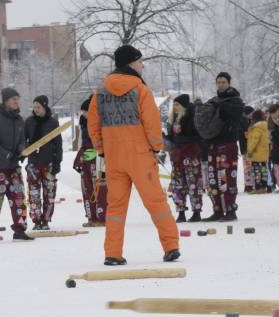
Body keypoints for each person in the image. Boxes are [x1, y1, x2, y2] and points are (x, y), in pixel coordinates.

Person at [87, 45, 180, 265]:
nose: (142, 65)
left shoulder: (100, 91)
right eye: (140, 62)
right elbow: (151, 122)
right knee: (155, 202)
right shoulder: (141, 89)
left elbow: (93, 125)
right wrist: (156, 147)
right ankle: (171, 246)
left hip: (114, 157)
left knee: (116, 206)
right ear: (131, 63)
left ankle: (113, 253)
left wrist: (102, 149)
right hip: (140, 156)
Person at [0, 87, 32, 242]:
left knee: (18, 199)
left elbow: (22, 140)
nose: (16, 102)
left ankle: (20, 230)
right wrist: (6, 154)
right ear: (5, 101)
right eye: (13, 99)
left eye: (17, 98)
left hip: (13, 167)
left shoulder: (19, 120)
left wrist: (21, 151)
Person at [203, 72, 245, 221]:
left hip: (228, 144)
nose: (220, 85)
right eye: (218, 82)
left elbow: (235, 115)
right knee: (213, 179)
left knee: (226, 179)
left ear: (229, 83)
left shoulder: (236, 100)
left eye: (223, 82)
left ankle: (230, 211)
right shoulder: (213, 101)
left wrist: (219, 106)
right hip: (213, 144)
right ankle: (217, 210)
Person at [23, 95, 62, 231]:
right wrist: (25, 149)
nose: (36, 109)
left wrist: (57, 163)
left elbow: (58, 144)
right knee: (33, 194)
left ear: (44, 106)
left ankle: (45, 220)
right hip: (33, 164)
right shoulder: (29, 122)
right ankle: (36, 220)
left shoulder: (52, 123)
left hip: (49, 163)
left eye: (38, 107)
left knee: (49, 194)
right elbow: (23, 141)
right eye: (34, 107)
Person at [166, 94, 203, 223]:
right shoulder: (173, 119)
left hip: (191, 154)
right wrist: (165, 139)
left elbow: (198, 136)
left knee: (194, 184)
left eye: (177, 105)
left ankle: (196, 212)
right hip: (177, 156)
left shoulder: (192, 117)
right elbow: (172, 138)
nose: (174, 107)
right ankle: (180, 212)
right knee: (178, 185)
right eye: (174, 105)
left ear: (183, 106)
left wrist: (180, 139)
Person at [73, 96, 107, 227]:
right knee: (87, 187)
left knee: (99, 187)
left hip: (99, 157)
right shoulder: (83, 121)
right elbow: (82, 140)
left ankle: (102, 216)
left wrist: (98, 152)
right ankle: (91, 216)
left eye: (85, 112)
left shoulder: (101, 120)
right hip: (86, 156)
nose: (83, 114)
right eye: (82, 112)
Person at [245, 110, 270, 194]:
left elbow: (254, 140)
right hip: (264, 153)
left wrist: (250, 150)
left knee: (256, 171)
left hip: (256, 153)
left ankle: (258, 188)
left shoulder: (256, 128)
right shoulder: (265, 126)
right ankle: (263, 187)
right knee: (263, 171)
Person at [240, 106, 255, 193]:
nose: (252, 115)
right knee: (247, 167)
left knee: (250, 166)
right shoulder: (243, 121)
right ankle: (248, 184)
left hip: (250, 147)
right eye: (251, 113)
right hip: (245, 147)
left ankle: (250, 183)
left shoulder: (249, 121)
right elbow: (244, 134)